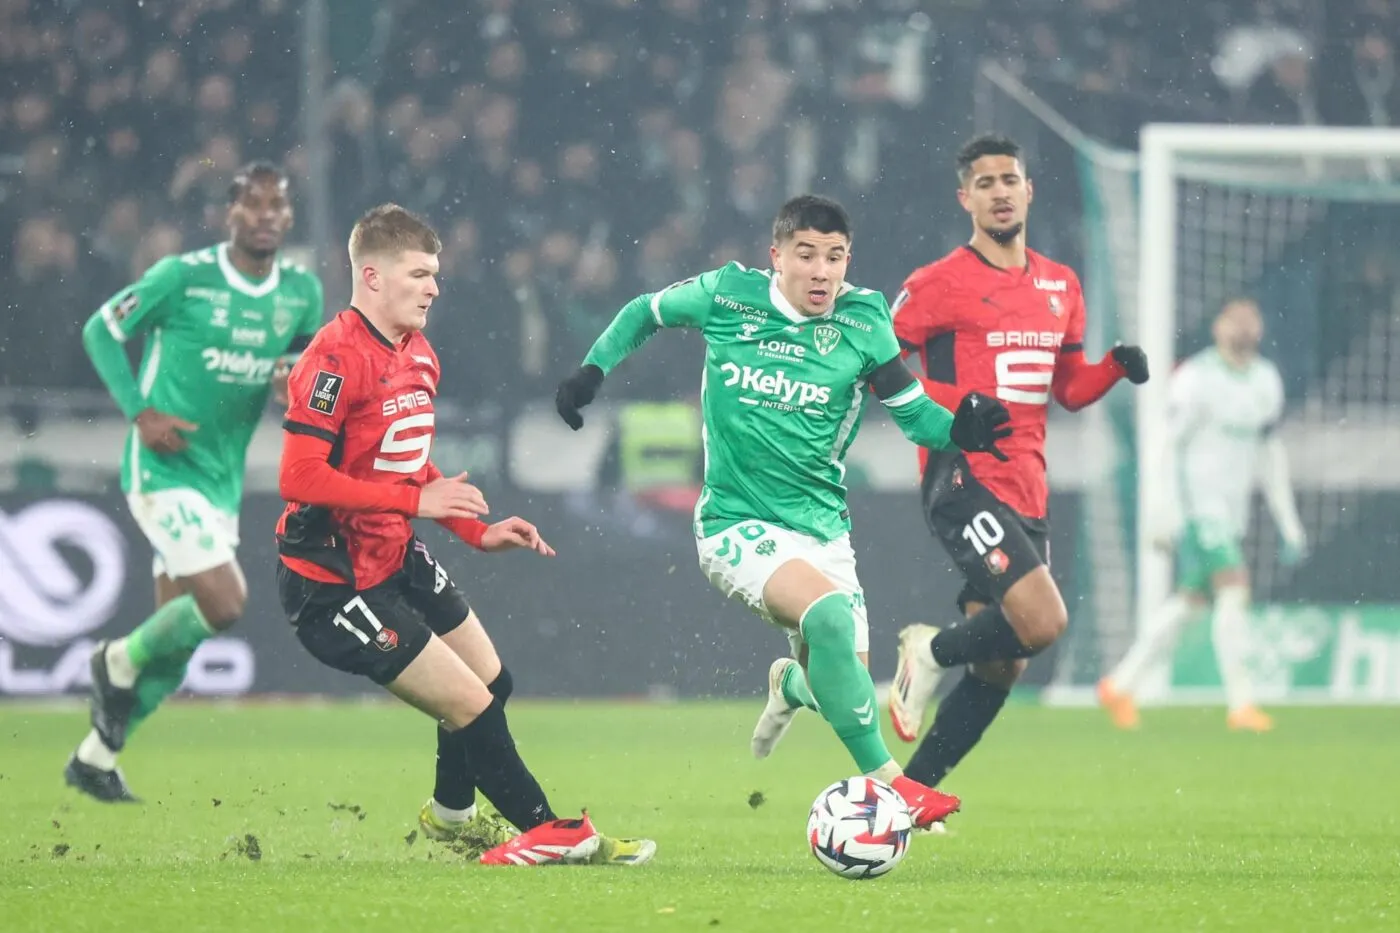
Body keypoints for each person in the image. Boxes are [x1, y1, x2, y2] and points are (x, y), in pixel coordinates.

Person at [555, 194, 1014, 829]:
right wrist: (591, 371)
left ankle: (790, 686)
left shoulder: (864, 321)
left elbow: (913, 414)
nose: (823, 272)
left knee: (842, 686)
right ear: (776, 257)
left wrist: (962, 428)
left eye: (836, 257)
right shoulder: (729, 295)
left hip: (824, 533)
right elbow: (646, 311)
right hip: (734, 524)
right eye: (807, 256)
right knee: (826, 618)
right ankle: (894, 786)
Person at [276, 203, 654, 866]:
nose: (434, 287)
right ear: (370, 276)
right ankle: (550, 830)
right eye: (420, 273)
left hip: (395, 553)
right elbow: (300, 476)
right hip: (333, 579)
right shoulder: (333, 357)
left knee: (491, 681)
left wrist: (474, 529)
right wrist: (415, 500)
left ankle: (452, 816)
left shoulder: (419, 352)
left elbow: (408, 461)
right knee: (472, 704)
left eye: (436, 274)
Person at [886, 135, 1150, 794]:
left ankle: (907, 798)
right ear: (965, 198)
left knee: (1004, 663)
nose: (1000, 191)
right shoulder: (935, 284)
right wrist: (948, 407)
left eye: (1010, 179)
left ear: (1029, 190)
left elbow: (1067, 389)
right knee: (1045, 622)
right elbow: (876, 366)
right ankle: (928, 648)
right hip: (962, 475)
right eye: (986, 182)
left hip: (1028, 486)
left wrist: (1115, 367)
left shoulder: (1061, 284)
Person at [69, 162, 324, 802]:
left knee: (178, 645)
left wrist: (287, 384)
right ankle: (114, 661)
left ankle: (95, 758)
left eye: (277, 205)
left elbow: (297, 373)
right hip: (161, 469)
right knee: (225, 602)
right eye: (252, 204)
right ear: (229, 213)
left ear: (289, 217)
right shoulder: (183, 277)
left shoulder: (302, 293)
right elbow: (101, 329)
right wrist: (140, 412)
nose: (265, 214)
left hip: (219, 481)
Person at [1098, 298, 1303, 732]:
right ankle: (1242, 704)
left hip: (1232, 511)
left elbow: (1270, 452)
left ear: (1260, 329)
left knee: (1191, 604)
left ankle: (1120, 684)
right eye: (1234, 320)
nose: (1243, 328)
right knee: (1235, 588)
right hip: (1197, 506)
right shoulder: (1196, 379)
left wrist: (1288, 521)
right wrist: (1160, 510)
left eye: (1251, 320)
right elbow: (1164, 444)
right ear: (1217, 327)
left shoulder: (1266, 381)